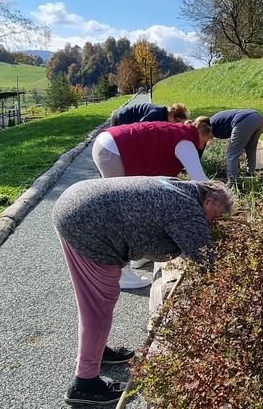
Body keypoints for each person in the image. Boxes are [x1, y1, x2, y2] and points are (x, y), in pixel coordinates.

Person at [53, 176, 236, 406]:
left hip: (78, 203)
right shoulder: (189, 211)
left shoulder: (182, 188)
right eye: (214, 216)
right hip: (85, 222)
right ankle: (84, 384)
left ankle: (97, 352)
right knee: (98, 305)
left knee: (96, 300)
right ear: (208, 201)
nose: (210, 223)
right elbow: (207, 262)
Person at [91, 117, 215, 289]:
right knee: (121, 212)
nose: (202, 147)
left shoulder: (178, 133)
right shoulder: (187, 142)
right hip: (113, 150)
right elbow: (199, 179)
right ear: (201, 133)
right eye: (205, 142)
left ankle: (139, 256)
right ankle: (121, 274)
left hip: (110, 144)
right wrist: (223, 197)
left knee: (138, 206)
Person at [209, 109, 263, 184]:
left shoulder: (209, 127)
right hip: (258, 117)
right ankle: (250, 175)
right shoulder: (213, 124)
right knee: (250, 149)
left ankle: (232, 183)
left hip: (244, 120)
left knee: (231, 154)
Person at [110, 102, 187, 127]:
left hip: (123, 118)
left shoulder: (163, 114)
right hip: (122, 118)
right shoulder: (157, 114)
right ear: (172, 116)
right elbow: (141, 126)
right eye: (177, 121)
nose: (177, 124)